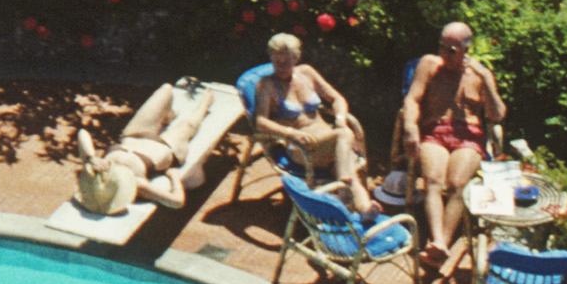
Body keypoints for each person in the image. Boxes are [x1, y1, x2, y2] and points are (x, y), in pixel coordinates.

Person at [396, 21, 506, 259]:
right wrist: (410, 127)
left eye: (451, 50)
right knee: (434, 180)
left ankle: (440, 244)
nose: (443, 54)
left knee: (457, 184)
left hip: (468, 137)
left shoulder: (478, 76)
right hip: (435, 132)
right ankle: (438, 240)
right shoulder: (429, 65)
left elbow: (496, 115)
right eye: (442, 47)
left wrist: (487, 79)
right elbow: (412, 99)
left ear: (466, 50)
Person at [65, 78, 245, 220]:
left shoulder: (96, 172)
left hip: (134, 133)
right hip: (167, 147)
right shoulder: (138, 184)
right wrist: (174, 178)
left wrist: (90, 158)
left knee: (166, 90)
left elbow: (82, 133)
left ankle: (166, 116)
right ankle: (206, 103)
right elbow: (177, 202)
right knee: (193, 119)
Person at [243, 33, 359, 190]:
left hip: (328, 141)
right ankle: (344, 183)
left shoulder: (307, 72)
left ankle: (361, 207)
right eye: (277, 61)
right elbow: (260, 121)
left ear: (296, 58)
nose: (282, 66)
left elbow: (337, 98)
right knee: (345, 135)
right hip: (302, 147)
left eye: (287, 61)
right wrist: (291, 133)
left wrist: (340, 119)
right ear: (271, 58)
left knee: (348, 171)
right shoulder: (266, 85)